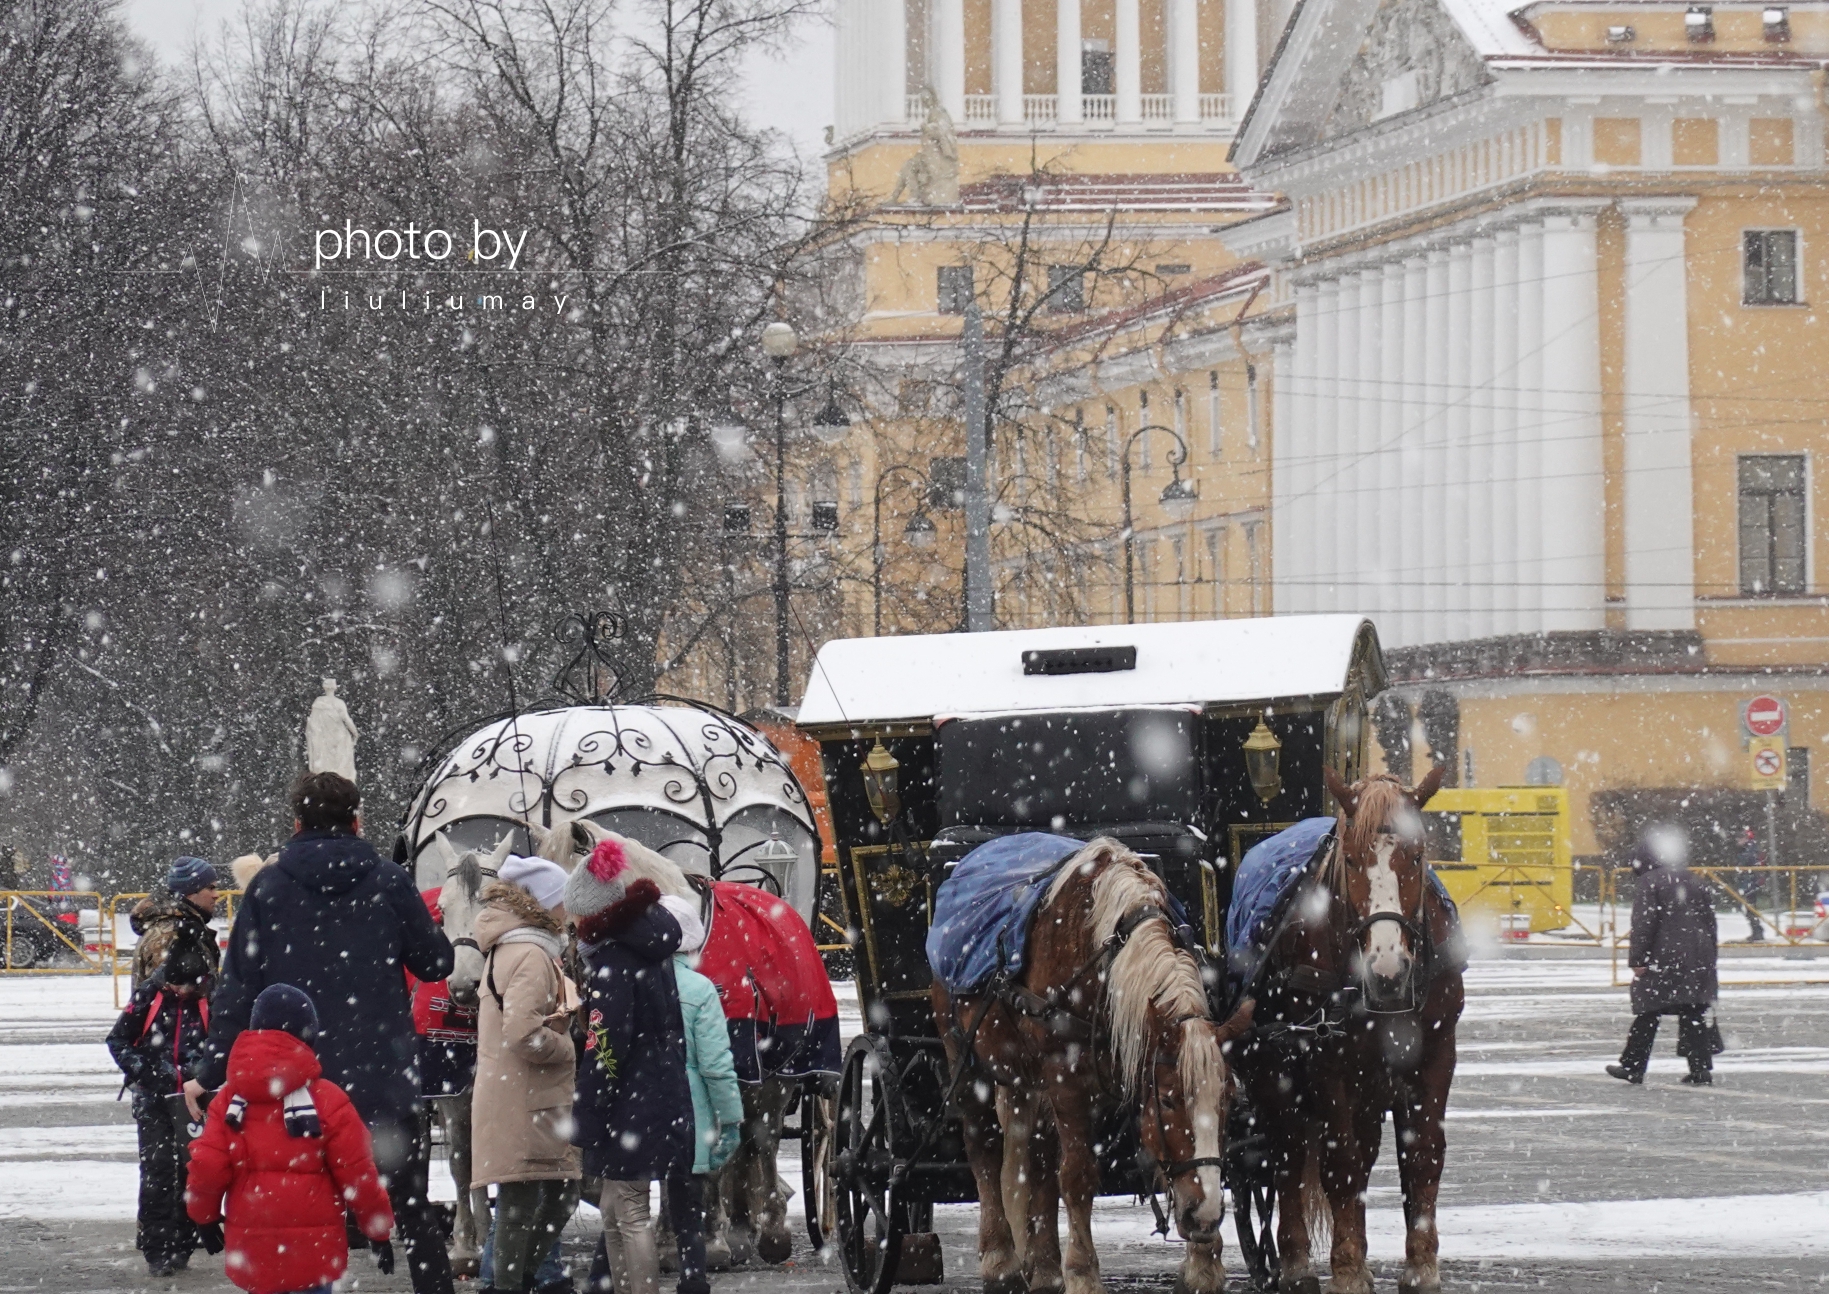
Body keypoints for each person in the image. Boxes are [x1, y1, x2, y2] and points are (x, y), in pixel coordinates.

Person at [192, 772, 456, 1294]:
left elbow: (236, 988)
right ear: (357, 819)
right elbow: (435, 962)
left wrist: (211, 1069)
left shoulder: (267, 886)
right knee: (411, 1206)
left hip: (294, 1088)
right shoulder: (387, 880)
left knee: (294, 1210)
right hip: (381, 1076)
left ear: (296, 822)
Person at [186, 984, 396, 1294]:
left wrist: (203, 1216)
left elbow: (207, 1165)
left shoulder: (230, 1101)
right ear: (308, 1036)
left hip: (254, 1254)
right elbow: (358, 1174)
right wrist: (377, 1231)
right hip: (315, 1254)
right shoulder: (328, 1100)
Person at [566, 834, 691, 1294]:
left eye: (576, 914)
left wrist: (592, 1107)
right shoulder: (648, 948)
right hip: (657, 1090)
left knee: (630, 1211)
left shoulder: (614, 957)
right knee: (618, 1207)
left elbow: (607, 1045)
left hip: (630, 1102)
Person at [471, 854, 582, 1294]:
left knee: (540, 1199)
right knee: (539, 1201)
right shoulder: (533, 954)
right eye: (562, 902)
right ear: (541, 904)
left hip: (515, 1095)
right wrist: (567, 1048)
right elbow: (522, 1033)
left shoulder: (510, 948)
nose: (568, 912)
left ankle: (517, 1281)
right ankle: (514, 1284)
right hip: (526, 1099)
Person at [108, 942, 214, 1276]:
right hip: (152, 1100)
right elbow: (118, 1042)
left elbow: (224, 1047)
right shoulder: (148, 996)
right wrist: (151, 1074)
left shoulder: (209, 999)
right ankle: (155, 1248)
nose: (182, 991)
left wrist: (202, 1075)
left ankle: (182, 1244)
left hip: (193, 1103)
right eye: (177, 986)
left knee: (190, 1171)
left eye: (188, 986)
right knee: (156, 1171)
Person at [657, 894, 743, 1294]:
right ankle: (693, 1278)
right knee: (687, 1204)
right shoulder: (700, 988)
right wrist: (731, 1118)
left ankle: (617, 1278)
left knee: (626, 1208)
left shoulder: (631, 980)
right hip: (688, 1114)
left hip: (639, 1112)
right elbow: (715, 1065)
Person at [1608, 824, 1719, 1086]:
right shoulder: (1694, 879)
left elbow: (1644, 923)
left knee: (1648, 1011)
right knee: (1694, 1011)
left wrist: (1638, 959)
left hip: (1664, 956)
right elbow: (1710, 922)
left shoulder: (1651, 882)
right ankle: (1700, 1069)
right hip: (1697, 956)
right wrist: (1709, 955)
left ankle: (1633, 1066)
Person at [130, 856, 221, 988]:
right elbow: (171, 996)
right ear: (190, 892)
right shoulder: (171, 934)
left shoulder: (180, 926)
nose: (216, 895)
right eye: (210, 888)